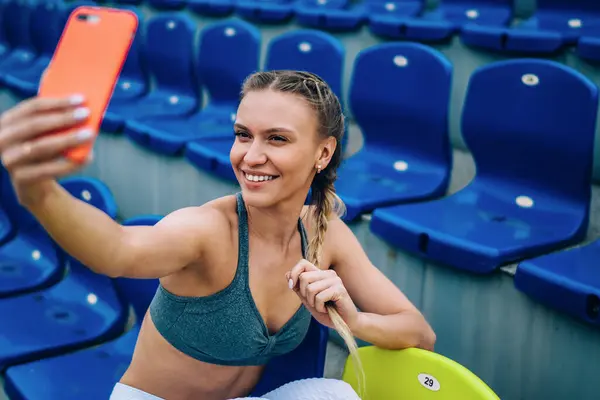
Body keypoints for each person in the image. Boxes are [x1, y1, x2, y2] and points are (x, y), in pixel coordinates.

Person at [0, 70, 436, 400]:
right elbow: (116, 250)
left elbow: (418, 333)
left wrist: (352, 321)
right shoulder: (207, 230)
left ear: (323, 153)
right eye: (243, 135)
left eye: (277, 139)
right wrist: (38, 192)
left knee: (337, 394)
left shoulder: (326, 234)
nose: (251, 156)